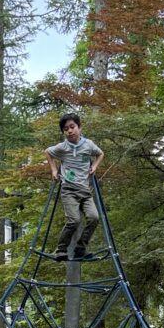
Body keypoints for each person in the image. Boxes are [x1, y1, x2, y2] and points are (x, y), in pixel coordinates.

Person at [45, 112, 104, 261]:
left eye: (72, 127)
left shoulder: (88, 145)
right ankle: (61, 250)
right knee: (74, 221)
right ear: (63, 132)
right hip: (69, 190)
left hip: (85, 190)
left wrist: (94, 166)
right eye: (66, 129)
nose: (70, 131)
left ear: (79, 127)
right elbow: (48, 152)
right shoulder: (63, 147)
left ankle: (80, 249)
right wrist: (54, 170)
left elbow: (100, 153)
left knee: (94, 217)